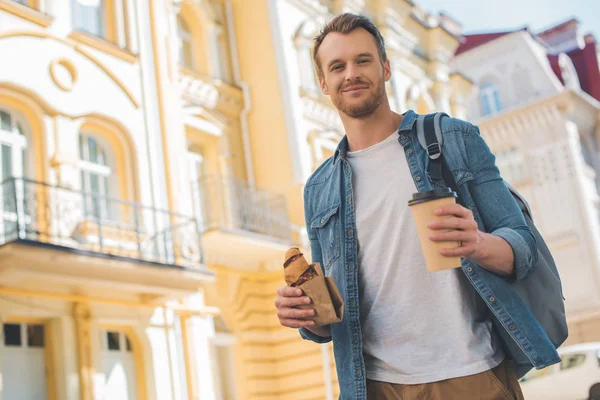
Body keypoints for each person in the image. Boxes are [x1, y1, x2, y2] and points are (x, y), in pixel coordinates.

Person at [274, 12, 560, 400]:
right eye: (337, 66)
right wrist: (307, 316)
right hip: (375, 386)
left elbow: (522, 245)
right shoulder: (319, 188)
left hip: (472, 374)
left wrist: (477, 244)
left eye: (363, 60)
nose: (351, 74)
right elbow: (331, 316)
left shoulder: (452, 138)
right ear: (323, 83)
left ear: (386, 67)